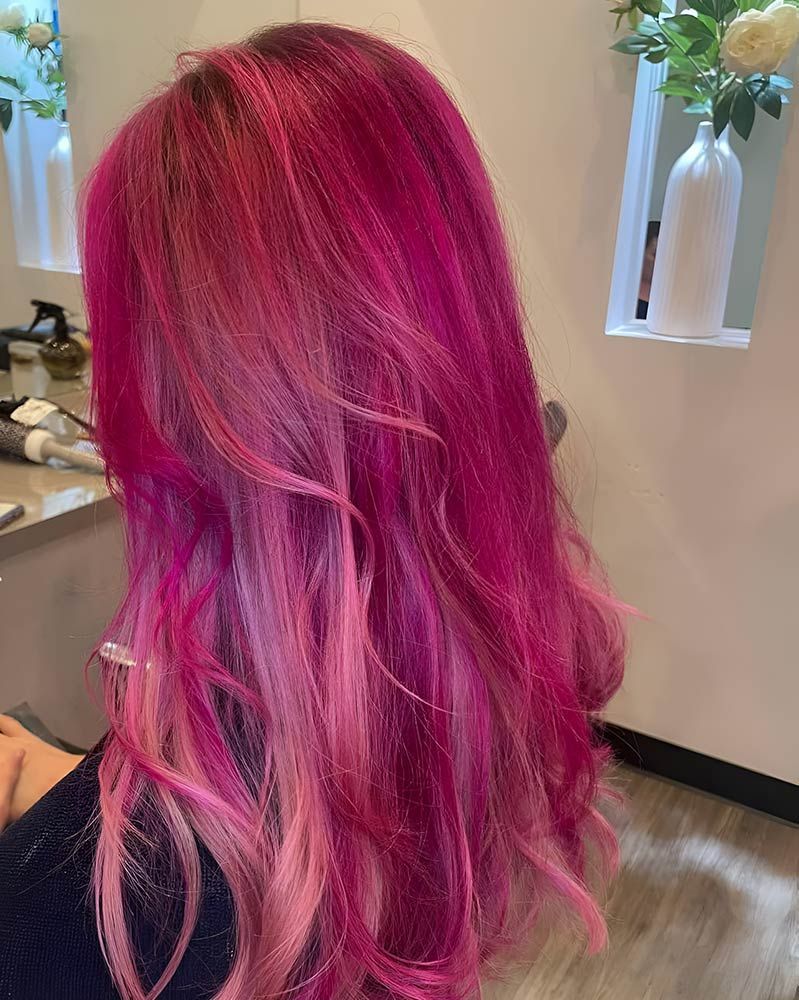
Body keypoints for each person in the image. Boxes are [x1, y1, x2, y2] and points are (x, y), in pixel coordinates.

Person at [0, 23, 625, 1000]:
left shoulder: (73, 917)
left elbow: (142, 887)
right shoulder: (468, 677)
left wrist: (62, 837)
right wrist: (70, 789)